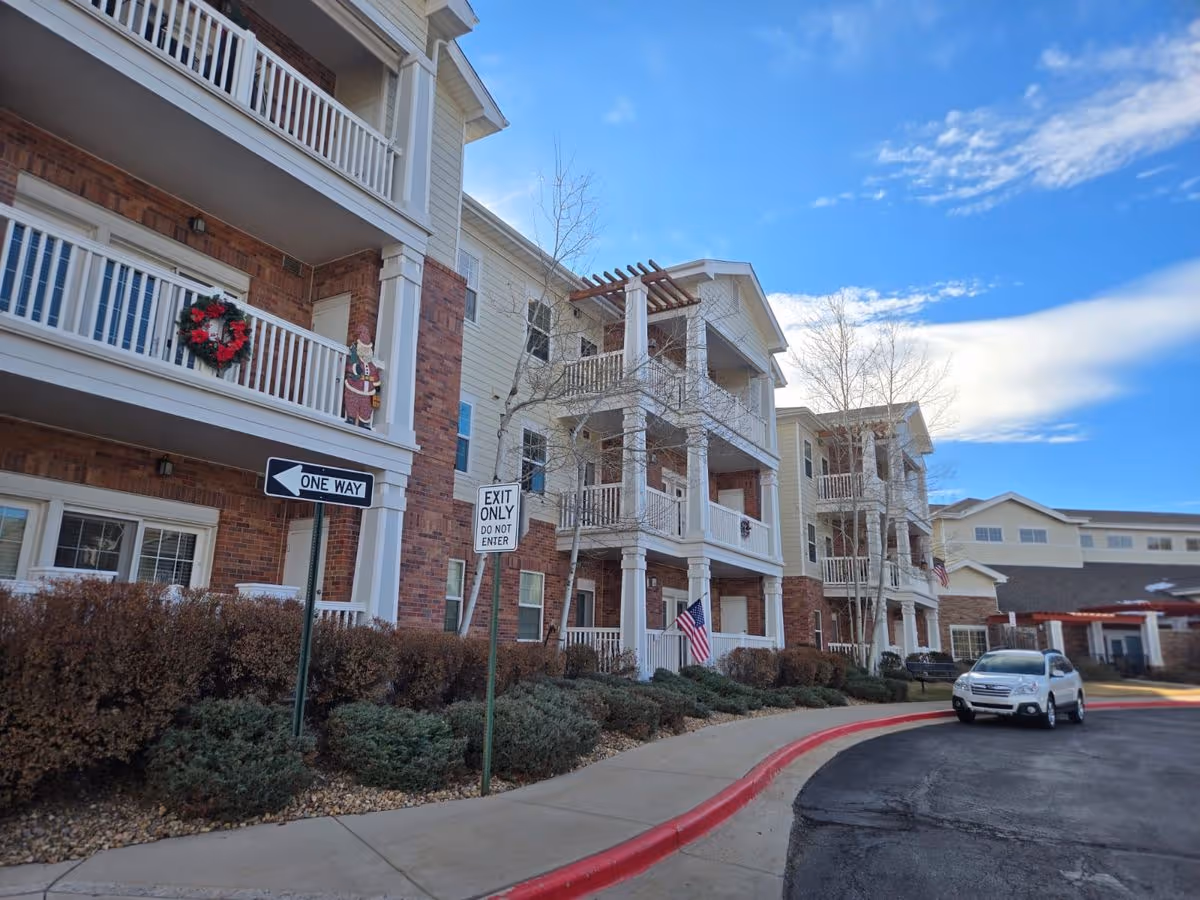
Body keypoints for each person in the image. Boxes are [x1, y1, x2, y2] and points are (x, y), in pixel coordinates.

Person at [343, 327, 381, 428]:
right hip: (354, 388)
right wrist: (355, 368)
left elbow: (376, 376)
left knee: (366, 408)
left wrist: (377, 388)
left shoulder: (372, 366)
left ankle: (364, 422)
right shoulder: (355, 360)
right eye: (364, 349)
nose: (366, 352)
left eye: (368, 349)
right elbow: (350, 367)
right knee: (352, 403)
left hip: (368, 393)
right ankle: (351, 418)